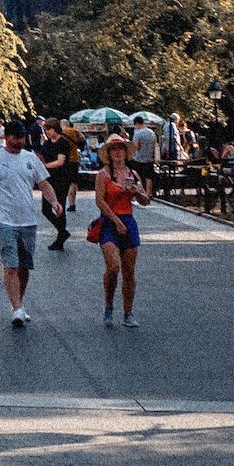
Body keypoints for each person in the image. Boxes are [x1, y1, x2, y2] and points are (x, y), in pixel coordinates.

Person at [0, 119, 56, 326]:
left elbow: (43, 183)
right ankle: (17, 308)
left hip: (27, 221)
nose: (20, 141)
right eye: (16, 138)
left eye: (22, 137)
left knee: (24, 267)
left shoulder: (30, 158)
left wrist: (54, 202)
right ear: (6, 137)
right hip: (4, 220)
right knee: (11, 267)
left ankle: (18, 303)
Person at [87, 133, 144, 328]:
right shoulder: (103, 175)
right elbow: (99, 201)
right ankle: (109, 304)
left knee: (129, 271)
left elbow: (145, 200)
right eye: (114, 150)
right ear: (109, 154)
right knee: (113, 267)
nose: (118, 153)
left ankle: (128, 312)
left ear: (126, 153)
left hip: (128, 220)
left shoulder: (132, 175)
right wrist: (116, 220)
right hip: (110, 222)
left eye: (121, 149)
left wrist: (137, 192)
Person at [38, 121, 80, 250]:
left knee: (59, 206)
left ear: (55, 129)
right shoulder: (47, 143)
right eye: (46, 130)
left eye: (49, 130)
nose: (47, 132)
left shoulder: (63, 143)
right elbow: (43, 155)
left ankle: (60, 237)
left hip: (61, 178)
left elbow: (60, 162)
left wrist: (44, 166)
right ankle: (62, 231)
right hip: (49, 178)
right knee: (45, 209)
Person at [131, 117, 161, 197]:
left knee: (138, 176)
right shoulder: (152, 133)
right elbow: (155, 145)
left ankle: (141, 193)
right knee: (149, 177)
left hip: (139, 159)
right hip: (150, 158)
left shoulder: (138, 134)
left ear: (137, 124)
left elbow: (136, 146)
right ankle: (148, 193)